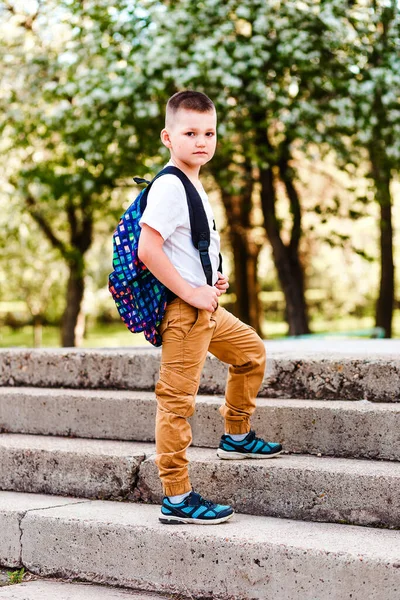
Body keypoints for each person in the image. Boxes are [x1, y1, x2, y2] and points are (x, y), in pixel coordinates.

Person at [138, 90, 282, 525]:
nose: (201, 141)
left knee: (250, 352)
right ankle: (177, 499)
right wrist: (191, 290)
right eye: (190, 132)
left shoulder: (193, 182)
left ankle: (236, 435)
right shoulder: (169, 185)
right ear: (168, 136)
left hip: (206, 307)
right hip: (185, 314)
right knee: (177, 403)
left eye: (209, 132)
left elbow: (188, 246)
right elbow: (149, 249)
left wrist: (210, 279)